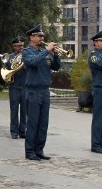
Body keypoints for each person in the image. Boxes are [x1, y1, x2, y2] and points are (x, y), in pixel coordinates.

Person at [22, 25, 60, 161]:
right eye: (39, 36)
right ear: (32, 37)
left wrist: (55, 55)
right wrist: (47, 51)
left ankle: (39, 149)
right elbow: (32, 62)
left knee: (43, 123)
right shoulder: (26, 52)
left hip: (45, 91)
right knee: (32, 123)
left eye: (42, 36)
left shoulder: (46, 52)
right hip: (33, 91)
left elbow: (56, 67)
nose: (42, 39)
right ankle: (30, 151)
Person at [4, 36, 28, 139]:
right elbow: (5, 71)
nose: (21, 48)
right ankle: (14, 132)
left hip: (25, 86)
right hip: (14, 86)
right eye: (18, 46)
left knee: (24, 111)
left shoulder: (26, 56)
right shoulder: (9, 57)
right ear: (14, 47)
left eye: (22, 46)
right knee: (14, 110)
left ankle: (23, 131)